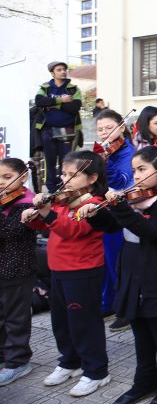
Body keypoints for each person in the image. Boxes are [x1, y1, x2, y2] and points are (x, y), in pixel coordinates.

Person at [80, 144, 157, 404]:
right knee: (140, 331)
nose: (137, 176)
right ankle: (144, 381)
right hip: (132, 271)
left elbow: (150, 230)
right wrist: (94, 215)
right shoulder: (135, 198)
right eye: (134, 170)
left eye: (142, 169)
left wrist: (121, 208)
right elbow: (110, 226)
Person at [21, 151, 112, 397]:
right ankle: (70, 361)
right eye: (64, 173)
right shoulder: (62, 200)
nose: (66, 179)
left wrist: (47, 213)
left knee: (85, 323)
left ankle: (96, 371)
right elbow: (50, 226)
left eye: (73, 175)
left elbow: (72, 230)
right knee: (60, 320)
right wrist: (34, 218)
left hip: (83, 270)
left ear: (92, 178)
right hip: (58, 269)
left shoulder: (92, 204)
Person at [94, 109, 136, 332]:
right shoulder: (106, 153)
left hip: (122, 213)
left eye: (109, 128)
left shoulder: (128, 152)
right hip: (106, 212)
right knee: (107, 262)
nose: (104, 133)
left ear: (122, 128)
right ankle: (108, 303)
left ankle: (126, 309)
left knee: (119, 264)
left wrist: (105, 163)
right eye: (100, 129)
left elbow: (121, 182)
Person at [0, 158, 37, 387]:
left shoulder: (27, 203)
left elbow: (8, 232)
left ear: (23, 177)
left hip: (18, 268)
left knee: (15, 317)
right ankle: (3, 355)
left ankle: (18, 361)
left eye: (6, 177)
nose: (1, 182)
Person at [34, 61, 83, 191]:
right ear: (52, 73)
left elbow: (74, 107)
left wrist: (52, 104)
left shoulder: (73, 88)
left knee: (66, 161)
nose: (63, 72)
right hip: (47, 130)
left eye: (64, 69)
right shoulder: (45, 88)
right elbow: (39, 101)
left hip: (67, 130)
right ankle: (51, 189)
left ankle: (65, 188)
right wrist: (61, 100)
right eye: (59, 70)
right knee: (49, 161)